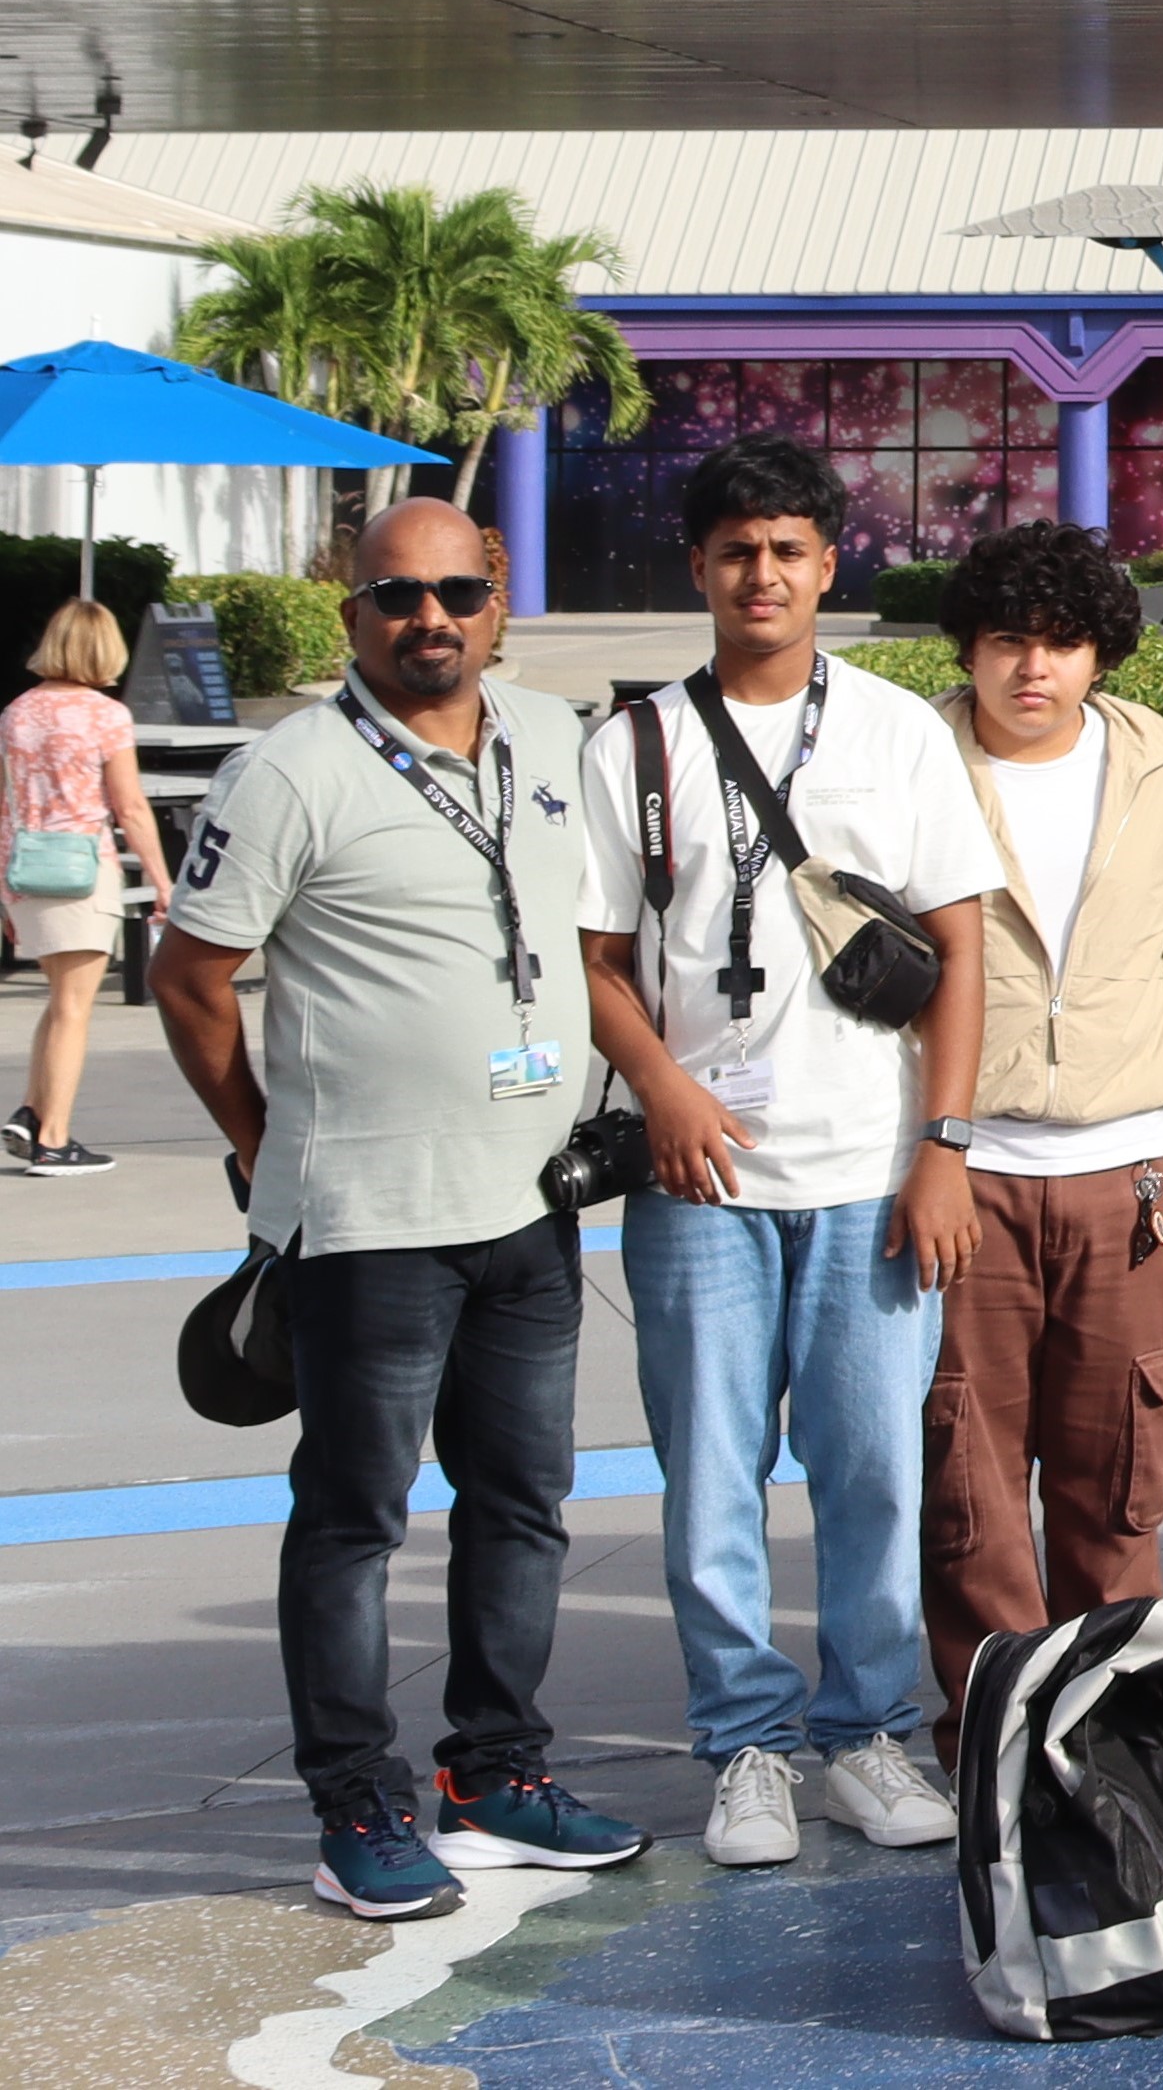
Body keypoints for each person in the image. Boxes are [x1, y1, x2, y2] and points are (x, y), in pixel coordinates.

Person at [150, 496, 648, 1917]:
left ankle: (494, 1774)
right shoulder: (288, 770)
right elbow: (189, 977)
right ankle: (353, 1801)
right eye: (396, 596)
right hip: (367, 1217)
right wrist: (263, 1145)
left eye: (457, 591)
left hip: (530, 1206)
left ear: (498, 601)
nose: (430, 617)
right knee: (355, 1515)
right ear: (351, 614)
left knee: (522, 1502)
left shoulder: (553, 736)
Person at [573, 437, 999, 1869]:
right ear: (698, 567)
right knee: (711, 1474)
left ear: (829, 564)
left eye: (788, 549)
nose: (762, 573)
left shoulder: (896, 731)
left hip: (872, 1172)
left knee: (875, 1470)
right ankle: (744, 1744)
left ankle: (867, 1730)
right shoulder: (634, 745)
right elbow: (599, 959)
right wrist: (662, 1090)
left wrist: (944, 1145)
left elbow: (960, 949)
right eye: (737, 549)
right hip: (700, 1180)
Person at [917, 523, 1163, 1749]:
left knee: (1121, 1466)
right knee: (969, 1468)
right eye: (1008, 639)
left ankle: (1119, 1714)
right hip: (968, 1165)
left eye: (1061, 642)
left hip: (1133, 1166)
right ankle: (1000, 1724)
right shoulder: (913, 762)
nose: (1033, 667)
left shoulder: (1152, 762)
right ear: (968, 648)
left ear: (1100, 653)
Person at [7, 595, 164, 1169]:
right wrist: (162, 880)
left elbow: (3, 806)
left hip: (25, 870)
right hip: (82, 871)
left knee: (60, 1001)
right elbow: (131, 807)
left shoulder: (17, 712)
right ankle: (54, 1140)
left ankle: (31, 1112)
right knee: (75, 1008)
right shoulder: (106, 715)